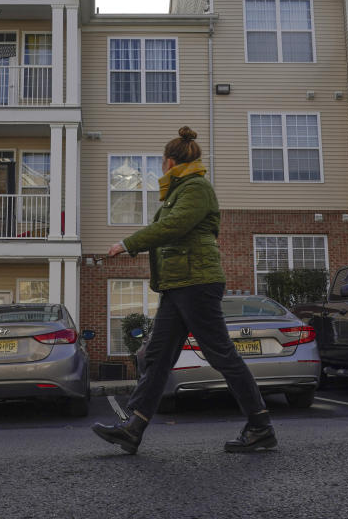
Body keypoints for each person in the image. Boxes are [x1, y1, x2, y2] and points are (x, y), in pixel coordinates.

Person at [91, 126, 276, 454]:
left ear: (169, 162)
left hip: (197, 282)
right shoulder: (180, 191)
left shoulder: (196, 188)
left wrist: (127, 243)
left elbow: (172, 227)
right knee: (157, 357)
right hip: (179, 285)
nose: (160, 168)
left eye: (161, 163)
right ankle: (133, 428)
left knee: (221, 355)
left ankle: (260, 426)